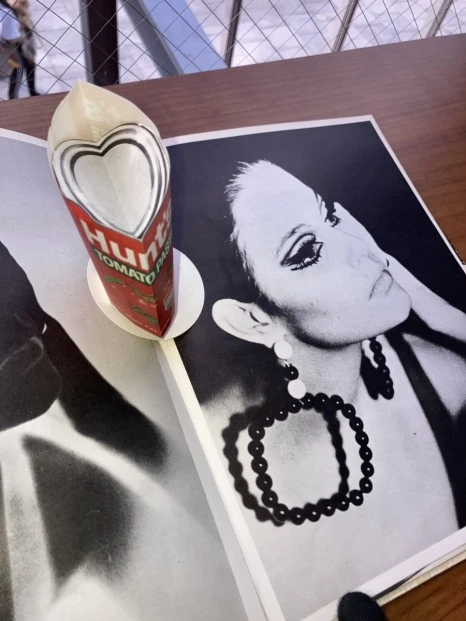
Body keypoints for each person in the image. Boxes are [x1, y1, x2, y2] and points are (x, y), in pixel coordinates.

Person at [208, 160, 466, 616]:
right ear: (254, 319)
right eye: (307, 250)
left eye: (330, 216)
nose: (360, 249)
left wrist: (453, 323)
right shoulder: (218, 479)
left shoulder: (433, 372)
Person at [0, 0, 38, 98]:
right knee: (18, 68)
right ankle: (13, 96)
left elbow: (22, 4)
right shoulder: (5, 10)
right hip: (12, 40)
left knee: (30, 64)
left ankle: (32, 91)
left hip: (22, 34)